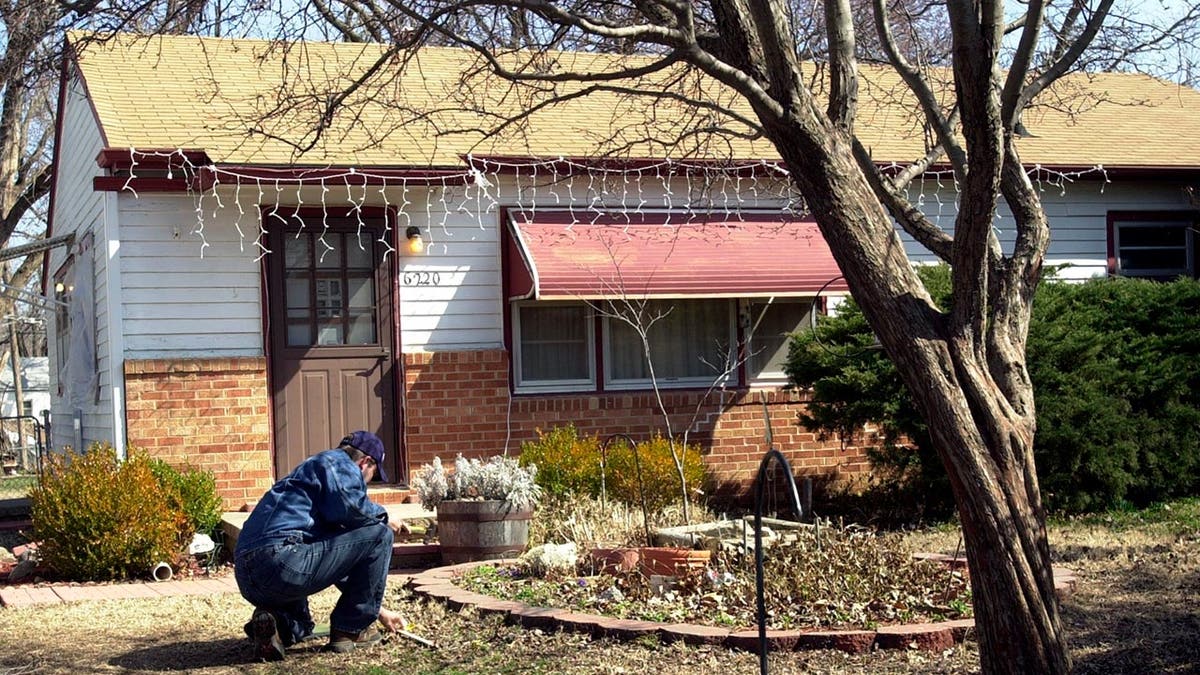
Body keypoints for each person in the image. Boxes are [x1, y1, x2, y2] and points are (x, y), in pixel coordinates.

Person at [234, 430, 408, 661]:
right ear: (365, 462)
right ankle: (350, 631)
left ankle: (274, 624)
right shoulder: (337, 463)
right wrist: (385, 516)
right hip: (284, 559)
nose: (368, 484)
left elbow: (338, 563)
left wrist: (380, 612)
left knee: (301, 622)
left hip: (249, 575)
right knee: (380, 534)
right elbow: (352, 506)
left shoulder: (306, 480)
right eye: (373, 476)